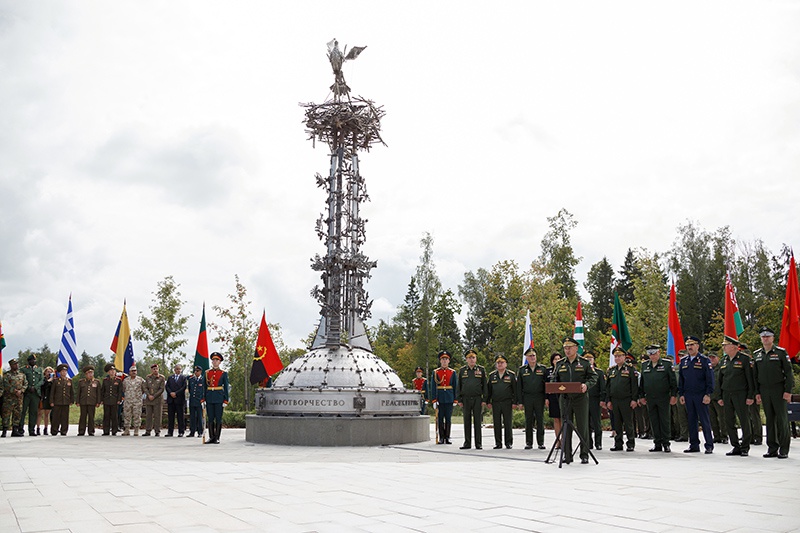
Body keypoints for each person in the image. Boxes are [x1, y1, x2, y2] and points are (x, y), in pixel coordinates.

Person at [552, 337, 598, 464]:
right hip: (565, 399)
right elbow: (554, 379)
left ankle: (584, 454)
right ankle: (567, 454)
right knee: (566, 426)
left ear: (576, 348)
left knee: (583, 426)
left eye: (570, 348)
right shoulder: (560, 363)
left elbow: (593, 377)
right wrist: (554, 386)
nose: (567, 350)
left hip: (580, 399)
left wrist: (586, 385)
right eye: (565, 348)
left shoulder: (584, 363)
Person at [753, 326, 794, 459]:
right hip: (764, 389)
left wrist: (788, 391)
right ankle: (772, 448)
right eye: (763, 337)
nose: (765, 339)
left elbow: (789, 373)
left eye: (768, 336)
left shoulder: (781, 352)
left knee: (781, 420)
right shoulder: (757, 354)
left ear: (772, 338)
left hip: (778, 389)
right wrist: (757, 392)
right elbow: (755, 376)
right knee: (770, 419)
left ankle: (784, 449)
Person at [717, 336, 755, 457]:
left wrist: (750, 395)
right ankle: (735, 446)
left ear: (734, 346)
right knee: (729, 421)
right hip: (727, 394)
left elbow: (750, 379)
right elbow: (720, 380)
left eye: (726, 345)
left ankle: (745, 446)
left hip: (741, 393)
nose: (724, 347)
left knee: (744, 420)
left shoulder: (744, 359)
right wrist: (719, 396)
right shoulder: (724, 360)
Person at [678, 336, 715, 454]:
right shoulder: (684, 361)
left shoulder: (704, 360)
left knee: (704, 420)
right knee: (691, 420)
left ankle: (709, 444)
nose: (690, 347)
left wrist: (708, 394)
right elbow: (681, 380)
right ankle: (694, 444)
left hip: (701, 394)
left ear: (697, 346)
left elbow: (710, 378)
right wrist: (681, 394)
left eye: (692, 345)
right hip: (688, 395)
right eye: (688, 345)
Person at [639, 344, 678, 452]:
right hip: (650, 397)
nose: (652, 356)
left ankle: (666, 443)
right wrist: (641, 396)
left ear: (659, 353)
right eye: (650, 354)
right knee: (654, 421)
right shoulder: (645, 365)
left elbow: (673, 381)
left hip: (663, 397)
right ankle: (657, 443)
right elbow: (642, 382)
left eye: (654, 354)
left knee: (664, 420)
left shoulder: (666, 364)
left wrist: (674, 395)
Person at [606, 347, 639, 452]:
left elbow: (634, 386)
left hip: (626, 399)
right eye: (615, 356)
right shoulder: (611, 371)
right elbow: (608, 387)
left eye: (619, 356)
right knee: (617, 423)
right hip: (615, 400)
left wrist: (634, 399)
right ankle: (618, 443)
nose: (617, 358)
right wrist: (608, 400)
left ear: (624, 357)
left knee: (628, 423)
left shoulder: (630, 369)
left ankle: (630, 443)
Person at [517, 348, 548, 450]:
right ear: (526, 358)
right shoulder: (522, 370)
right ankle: (529, 442)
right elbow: (519, 387)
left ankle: (541, 442)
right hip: (528, 397)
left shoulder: (543, 369)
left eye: (534, 355)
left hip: (539, 397)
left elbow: (546, 386)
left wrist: (546, 398)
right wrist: (520, 402)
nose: (532, 357)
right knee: (529, 420)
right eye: (530, 356)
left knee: (540, 420)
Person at [457, 349, 486, 450]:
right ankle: (467, 443)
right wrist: (459, 400)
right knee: (467, 421)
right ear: (466, 359)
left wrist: (484, 399)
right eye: (469, 358)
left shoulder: (481, 370)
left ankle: (478, 443)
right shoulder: (462, 370)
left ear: (476, 358)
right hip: (466, 399)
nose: (472, 360)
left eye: (473, 357)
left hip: (477, 398)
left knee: (478, 421)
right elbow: (459, 386)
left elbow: (485, 385)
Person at [486, 354, 516, 449]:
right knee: (497, 423)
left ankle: (508, 442)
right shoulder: (492, 376)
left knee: (508, 423)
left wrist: (515, 402)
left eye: (502, 362)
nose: (500, 364)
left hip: (507, 402)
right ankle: (498, 443)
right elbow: (488, 390)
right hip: (496, 402)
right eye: (498, 363)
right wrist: (488, 401)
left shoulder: (511, 375)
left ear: (506, 364)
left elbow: (515, 390)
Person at [203, 352, 229, 444]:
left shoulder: (223, 373)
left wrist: (226, 399)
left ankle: (217, 437)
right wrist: (203, 399)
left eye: (216, 360)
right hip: (209, 397)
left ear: (220, 362)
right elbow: (204, 387)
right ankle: (211, 437)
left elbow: (226, 387)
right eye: (213, 360)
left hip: (219, 397)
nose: (214, 362)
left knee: (218, 418)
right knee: (210, 418)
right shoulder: (207, 373)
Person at [431, 351, 457, 445]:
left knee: (448, 419)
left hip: (449, 397)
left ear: (449, 361)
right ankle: (442, 437)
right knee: (440, 418)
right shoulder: (435, 372)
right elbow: (433, 387)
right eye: (443, 359)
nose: (444, 361)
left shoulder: (452, 372)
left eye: (446, 359)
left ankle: (448, 437)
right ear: (440, 361)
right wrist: (434, 400)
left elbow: (455, 386)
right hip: (440, 398)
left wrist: (455, 399)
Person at [584, 351, 606, 451]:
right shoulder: (582, 372)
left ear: (594, 360)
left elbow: (603, 387)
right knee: (586, 422)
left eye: (590, 359)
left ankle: (598, 443)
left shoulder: (599, 372)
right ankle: (588, 443)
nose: (589, 361)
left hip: (595, 400)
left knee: (597, 422)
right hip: (584, 399)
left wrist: (602, 400)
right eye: (586, 359)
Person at [2, 359, 27, 437]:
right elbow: (5, 385)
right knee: (6, 414)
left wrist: (21, 390)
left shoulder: (22, 375)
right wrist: (14, 391)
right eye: (14, 364)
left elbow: (25, 384)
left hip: (19, 398)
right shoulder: (6, 375)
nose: (16, 365)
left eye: (17, 364)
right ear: (11, 365)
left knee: (17, 414)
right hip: (9, 398)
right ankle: (4, 430)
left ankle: (15, 430)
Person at [19, 355, 43, 436]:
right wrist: (28, 387)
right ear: (28, 361)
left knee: (33, 412)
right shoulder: (24, 369)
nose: (33, 361)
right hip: (26, 393)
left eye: (34, 360)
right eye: (32, 360)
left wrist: (35, 387)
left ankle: (32, 430)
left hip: (35, 394)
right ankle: (20, 429)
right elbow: (21, 379)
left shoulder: (39, 369)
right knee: (23, 411)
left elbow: (41, 380)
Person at [708, 352, 728, 444]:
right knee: (712, 419)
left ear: (718, 358)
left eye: (713, 357)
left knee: (722, 418)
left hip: (719, 397)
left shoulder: (721, 369)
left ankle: (724, 436)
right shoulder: (708, 369)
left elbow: (724, 384)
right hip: (710, 397)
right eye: (710, 358)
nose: (711, 360)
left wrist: (722, 397)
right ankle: (716, 436)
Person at [76, 366, 101, 436]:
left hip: (92, 402)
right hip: (83, 401)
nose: (90, 374)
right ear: (86, 374)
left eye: (91, 373)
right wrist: (77, 401)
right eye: (89, 373)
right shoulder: (81, 382)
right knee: (83, 417)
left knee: (91, 417)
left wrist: (98, 402)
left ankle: (91, 431)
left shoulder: (97, 382)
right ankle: (81, 431)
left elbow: (98, 393)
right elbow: (79, 392)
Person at [49, 364, 73, 435]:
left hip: (66, 401)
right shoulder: (56, 381)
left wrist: (71, 400)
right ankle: (54, 430)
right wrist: (51, 401)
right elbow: (52, 392)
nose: (64, 373)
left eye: (65, 371)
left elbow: (71, 392)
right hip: (57, 402)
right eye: (62, 371)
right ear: (59, 373)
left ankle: (64, 431)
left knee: (65, 417)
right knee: (56, 417)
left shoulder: (69, 381)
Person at [143, 363, 166, 436]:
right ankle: (148, 431)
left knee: (157, 416)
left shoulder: (161, 378)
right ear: (151, 370)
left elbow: (162, 389)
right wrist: (148, 395)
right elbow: (145, 387)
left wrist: (154, 396)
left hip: (158, 399)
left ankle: (157, 431)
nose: (155, 370)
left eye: (156, 369)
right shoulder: (148, 377)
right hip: (149, 399)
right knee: (148, 416)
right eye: (154, 369)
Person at [122, 365, 145, 436]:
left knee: (137, 415)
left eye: (135, 371)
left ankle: (136, 430)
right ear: (129, 372)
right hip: (128, 401)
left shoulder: (140, 380)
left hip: (137, 401)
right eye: (132, 371)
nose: (134, 372)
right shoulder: (126, 380)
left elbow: (143, 389)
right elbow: (123, 389)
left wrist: (138, 396)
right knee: (127, 415)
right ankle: (127, 430)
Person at [165, 364, 187, 437]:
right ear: (174, 370)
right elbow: (167, 386)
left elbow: (184, 387)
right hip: (171, 400)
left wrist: (176, 393)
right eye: (177, 369)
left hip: (179, 400)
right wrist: (171, 393)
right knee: (171, 417)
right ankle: (170, 432)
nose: (178, 370)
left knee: (180, 416)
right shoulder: (170, 377)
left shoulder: (183, 378)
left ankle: (181, 432)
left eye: (179, 369)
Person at [101, 363, 123, 435]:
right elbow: (102, 391)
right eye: (111, 371)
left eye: (113, 370)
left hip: (115, 400)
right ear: (108, 372)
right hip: (107, 400)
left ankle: (114, 431)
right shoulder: (105, 380)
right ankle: (106, 431)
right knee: (106, 416)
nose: (112, 372)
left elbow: (120, 391)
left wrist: (119, 400)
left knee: (114, 416)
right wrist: (102, 400)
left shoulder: (119, 380)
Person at [546, 352, 563, 447]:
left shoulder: (564, 369)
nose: (557, 361)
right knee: (556, 419)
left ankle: (564, 439)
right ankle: (558, 440)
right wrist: (546, 398)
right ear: (552, 361)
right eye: (555, 359)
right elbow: (545, 385)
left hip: (563, 396)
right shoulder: (548, 371)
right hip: (552, 397)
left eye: (559, 359)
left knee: (563, 418)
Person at [187, 366, 205, 437]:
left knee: (200, 417)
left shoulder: (203, 380)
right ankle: (192, 431)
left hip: (200, 401)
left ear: (200, 371)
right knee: (192, 417)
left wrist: (203, 400)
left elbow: (204, 391)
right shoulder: (191, 379)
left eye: (197, 371)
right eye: (195, 371)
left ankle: (200, 431)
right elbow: (190, 389)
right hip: (192, 400)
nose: (196, 372)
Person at [38, 366, 54, 436]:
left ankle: (45, 428)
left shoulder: (53, 380)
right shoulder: (42, 379)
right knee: (39, 414)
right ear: (45, 372)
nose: (49, 373)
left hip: (48, 398)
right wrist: (48, 381)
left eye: (50, 372)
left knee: (46, 415)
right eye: (48, 371)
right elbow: (42, 386)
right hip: (42, 397)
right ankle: (38, 428)